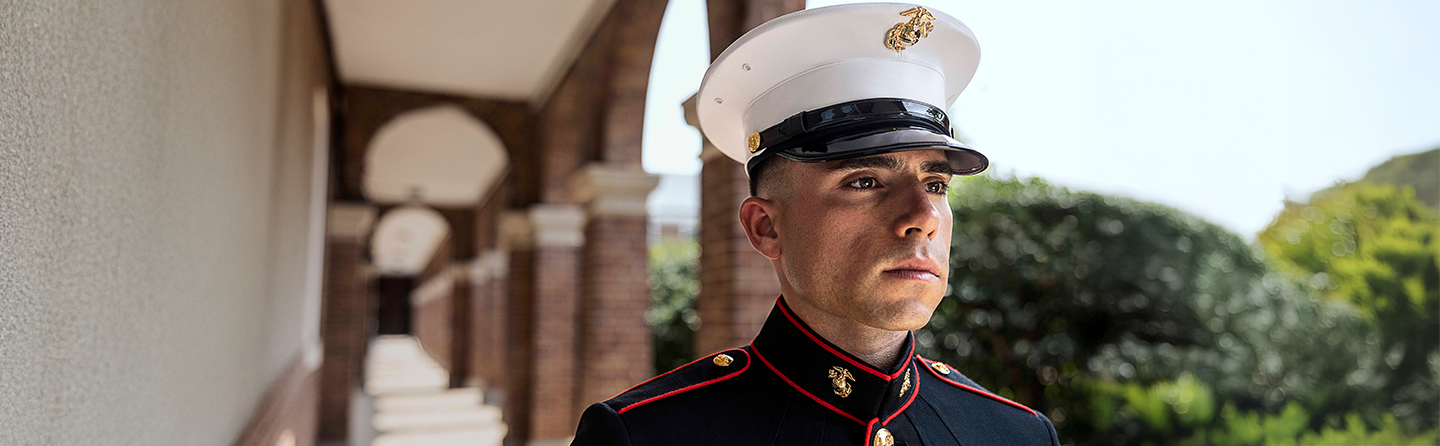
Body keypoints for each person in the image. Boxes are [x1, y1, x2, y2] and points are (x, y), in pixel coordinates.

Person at [571, 3, 1060, 445]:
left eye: (936, 185)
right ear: (765, 227)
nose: (924, 218)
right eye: (866, 181)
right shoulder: (645, 436)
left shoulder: (1017, 433)